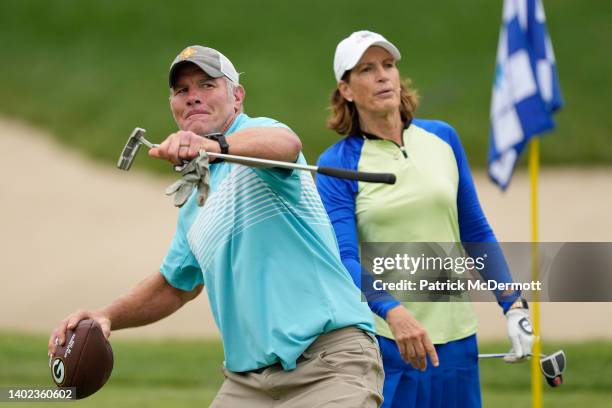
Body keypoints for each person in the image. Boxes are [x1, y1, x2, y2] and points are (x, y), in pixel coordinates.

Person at [49, 45, 384, 407]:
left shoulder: (258, 136)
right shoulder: (195, 197)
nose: (193, 97)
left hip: (327, 363)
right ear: (173, 106)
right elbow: (175, 286)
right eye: (182, 91)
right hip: (248, 384)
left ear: (237, 97)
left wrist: (213, 144)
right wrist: (106, 316)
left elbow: (287, 145)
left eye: (207, 85)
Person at [316, 31, 535, 408]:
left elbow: (475, 231)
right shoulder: (338, 164)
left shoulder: (442, 138)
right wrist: (393, 310)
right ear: (347, 90)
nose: (383, 76)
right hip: (388, 342)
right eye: (367, 69)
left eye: (388, 65)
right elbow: (343, 258)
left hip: (458, 340)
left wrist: (513, 305)